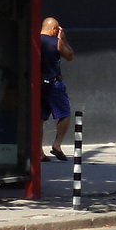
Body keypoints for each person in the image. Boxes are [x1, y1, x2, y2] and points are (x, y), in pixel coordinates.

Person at [39, 17, 74, 161]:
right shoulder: (56, 42)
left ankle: (39, 152)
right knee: (65, 114)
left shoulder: (34, 41)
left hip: (39, 85)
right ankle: (57, 144)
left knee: (39, 118)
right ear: (54, 29)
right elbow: (70, 56)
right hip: (54, 84)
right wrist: (63, 39)